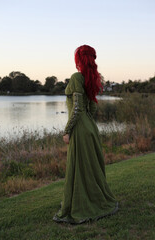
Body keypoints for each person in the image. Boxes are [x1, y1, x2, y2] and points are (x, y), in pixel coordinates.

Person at [53, 45, 118, 224]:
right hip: (90, 128)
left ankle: (80, 204)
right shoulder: (90, 79)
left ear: (79, 59)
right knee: (90, 167)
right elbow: (92, 108)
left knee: (80, 166)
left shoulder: (76, 77)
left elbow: (76, 109)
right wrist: (88, 124)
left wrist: (67, 131)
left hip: (80, 129)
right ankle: (93, 199)